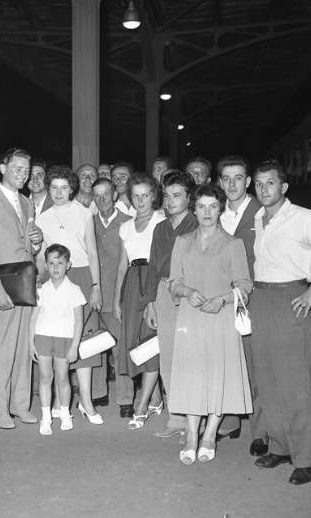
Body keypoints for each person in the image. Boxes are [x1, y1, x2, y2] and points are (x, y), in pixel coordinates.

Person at [249, 159, 311, 485]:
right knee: (268, 380)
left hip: (292, 299)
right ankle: (281, 447)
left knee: (296, 382)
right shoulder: (259, 218)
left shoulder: (303, 218)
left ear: (284, 187)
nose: (264, 189)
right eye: (259, 183)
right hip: (261, 299)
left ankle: (306, 458)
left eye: (270, 182)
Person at [168, 183, 252, 465]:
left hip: (220, 317)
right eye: (201, 206)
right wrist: (187, 291)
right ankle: (192, 435)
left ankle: (210, 435)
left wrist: (223, 299)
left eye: (213, 206)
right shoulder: (182, 242)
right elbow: (174, 281)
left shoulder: (233, 244)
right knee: (192, 375)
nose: (207, 212)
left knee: (218, 374)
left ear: (220, 209)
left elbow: (245, 285)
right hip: (190, 317)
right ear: (194, 209)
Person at [0, 147, 43, 429]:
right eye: (17, 169)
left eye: (26, 170)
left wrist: (36, 242)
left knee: (23, 350)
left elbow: (27, 246)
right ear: (2, 169)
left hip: (24, 283)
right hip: (2, 286)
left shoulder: (27, 203)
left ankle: (20, 405)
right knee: (1, 351)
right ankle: (1, 409)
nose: (22, 175)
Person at [36, 165, 104, 424]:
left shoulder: (84, 213)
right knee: (57, 338)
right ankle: (57, 401)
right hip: (54, 278)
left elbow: (93, 252)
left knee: (83, 338)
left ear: (72, 189)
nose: (58, 192)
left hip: (82, 276)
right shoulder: (42, 218)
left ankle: (86, 401)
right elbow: (41, 258)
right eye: (54, 187)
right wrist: (40, 281)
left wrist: (96, 286)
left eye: (64, 188)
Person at [143, 171, 198, 439]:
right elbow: (153, 266)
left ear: (189, 198)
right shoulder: (160, 228)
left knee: (191, 358)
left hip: (190, 294)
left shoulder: (198, 224)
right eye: (166, 196)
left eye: (177, 195)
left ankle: (194, 421)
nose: (170, 201)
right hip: (164, 292)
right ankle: (176, 418)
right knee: (168, 358)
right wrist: (150, 302)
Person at [113, 173, 166, 430]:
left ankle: (142, 406)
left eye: (145, 195)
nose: (141, 200)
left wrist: (154, 300)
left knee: (150, 343)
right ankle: (156, 399)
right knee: (136, 345)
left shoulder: (162, 222)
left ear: (154, 195)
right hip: (132, 284)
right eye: (136, 196)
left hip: (154, 282)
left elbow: (163, 263)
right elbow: (122, 266)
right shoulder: (125, 227)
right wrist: (117, 300)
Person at [217, 155, 262, 444]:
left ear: (247, 182)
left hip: (253, 298)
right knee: (225, 360)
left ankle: (262, 432)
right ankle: (228, 422)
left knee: (255, 364)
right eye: (226, 178)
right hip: (222, 299)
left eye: (238, 178)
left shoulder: (262, 213)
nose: (232, 184)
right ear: (220, 182)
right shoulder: (215, 213)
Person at [30, 244, 85, 435]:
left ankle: (64, 413)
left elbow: (78, 321)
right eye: (51, 263)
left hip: (64, 339)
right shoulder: (41, 289)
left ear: (68, 265)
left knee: (62, 378)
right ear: (45, 265)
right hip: (43, 337)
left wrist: (74, 346)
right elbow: (33, 318)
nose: (55, 267)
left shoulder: (74, 290)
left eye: (60, 263)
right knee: (45, 377)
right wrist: (30, 343)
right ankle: (46, 417)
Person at [92, 178, 135, 417]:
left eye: (106, 194)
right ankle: (98, 392)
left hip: (117, 294)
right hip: (94, 295)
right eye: (96, 196)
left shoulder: (127, 223)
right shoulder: (89, 222)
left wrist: (121, 298)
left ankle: (125, 398)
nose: (101, 200)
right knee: (95, 346)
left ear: (115, 195)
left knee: (121, 348)